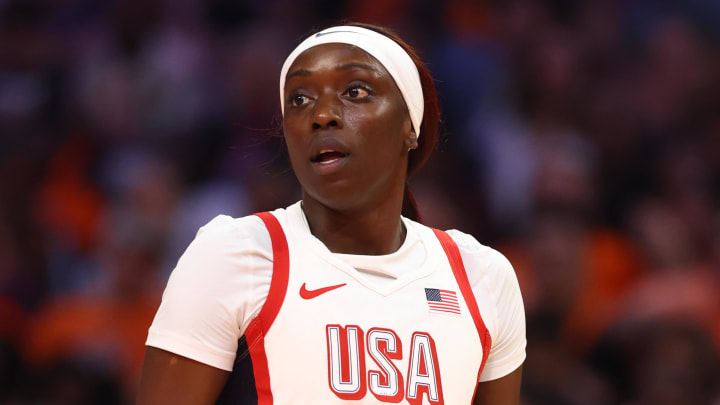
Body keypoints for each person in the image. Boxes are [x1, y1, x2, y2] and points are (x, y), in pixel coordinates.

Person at [137, 23, 526, 405]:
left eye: (355, 91)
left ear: (411, 125)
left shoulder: (483, 276)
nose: (322, 115)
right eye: (300, 99)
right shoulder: (234, 255)